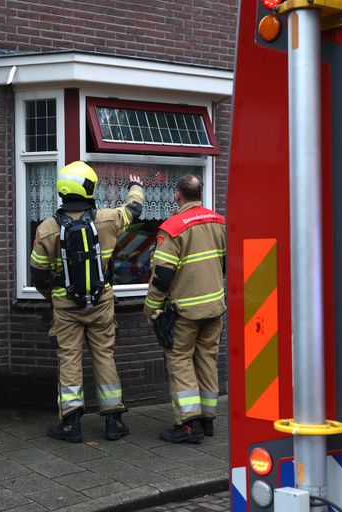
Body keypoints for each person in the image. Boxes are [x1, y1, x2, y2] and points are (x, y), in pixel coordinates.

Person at [30, 161, 145, 443]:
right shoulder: (108, 219)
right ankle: (113, 422)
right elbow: (134, 210)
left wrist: (55, 298)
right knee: (104, 355)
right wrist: (136, 187)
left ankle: (70, 425)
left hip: (65, 305)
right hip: (101, 302)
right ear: (89, 188)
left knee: (69, 358)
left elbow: (38, 275)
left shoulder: (46, 229)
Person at [143, 175, 226, 443]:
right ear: (199, 193)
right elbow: (225, 263)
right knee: (206, 360)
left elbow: (162, 277)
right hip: (214, 307)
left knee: (179, 360)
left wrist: (151, 310)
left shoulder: (172, 228)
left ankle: (188, 425)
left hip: (185, 311)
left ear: (178, 195)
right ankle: (207, 419)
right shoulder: (219, 221)